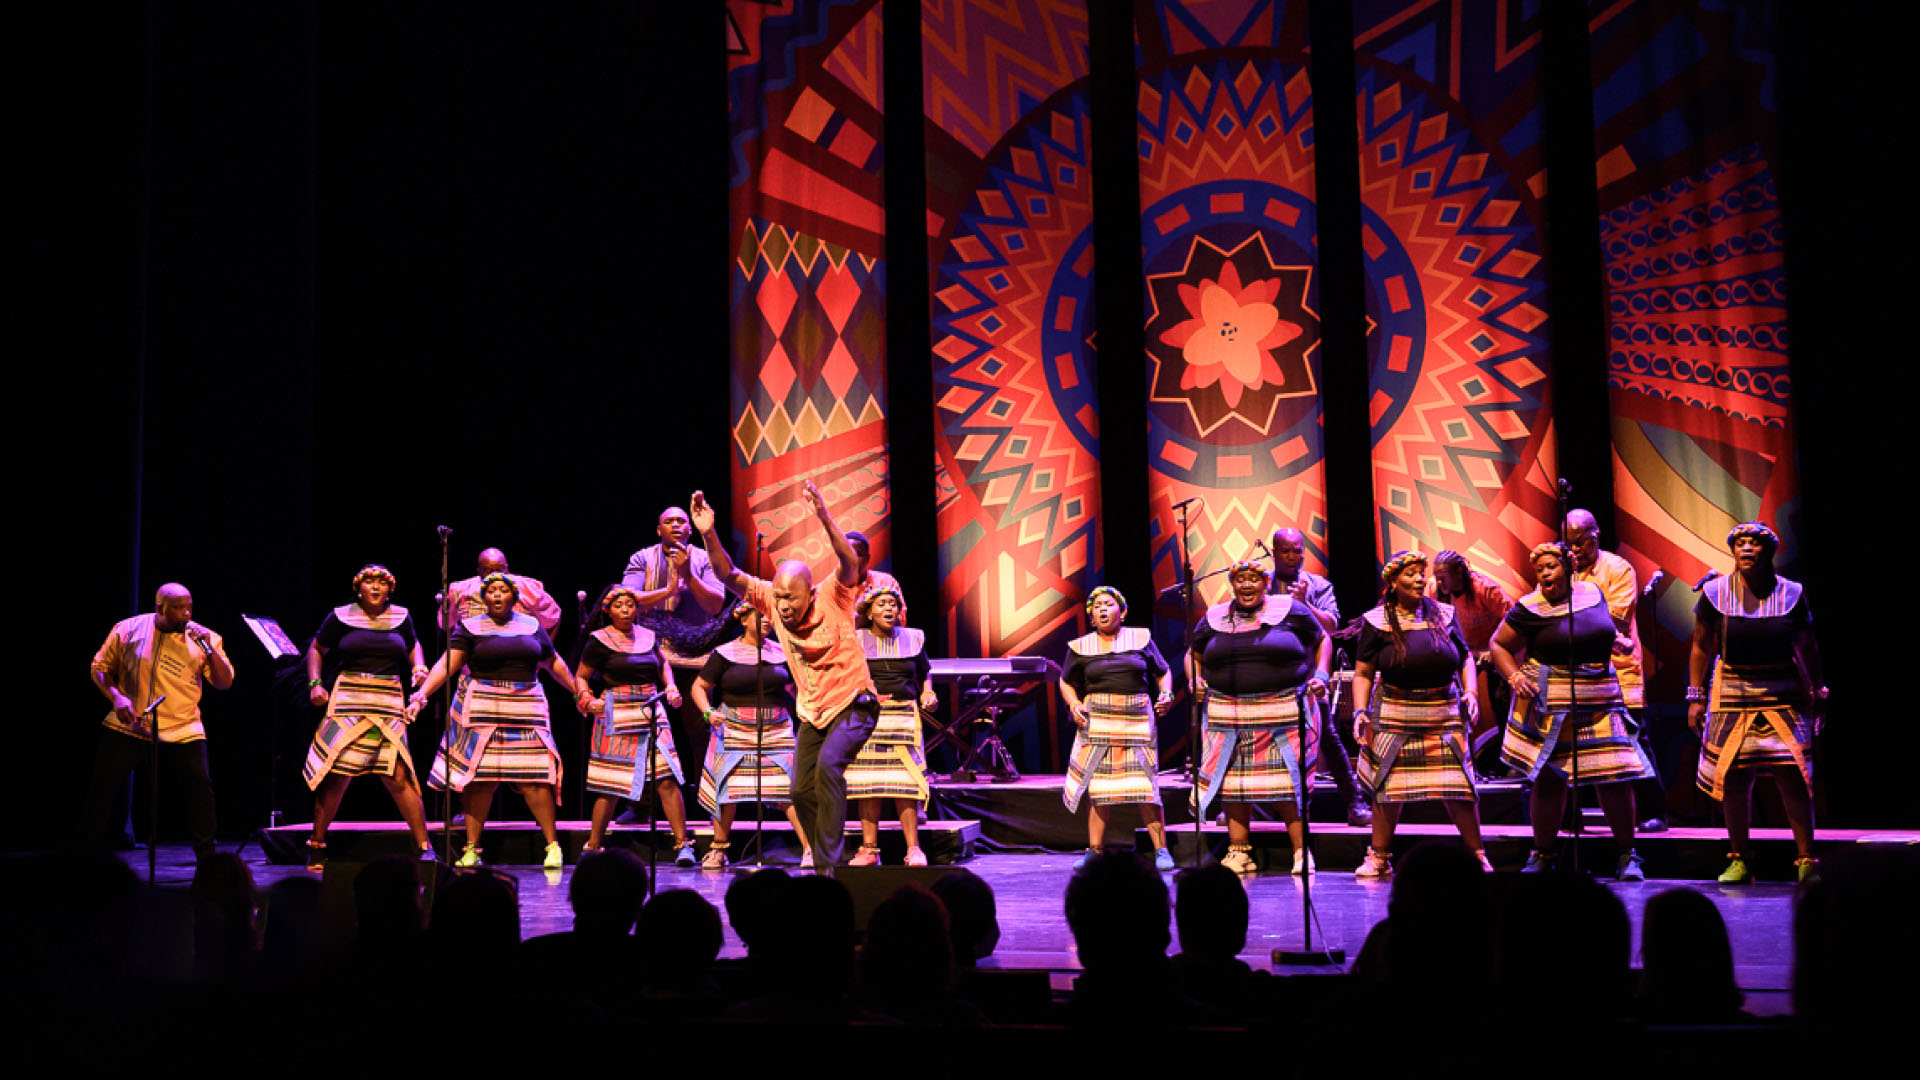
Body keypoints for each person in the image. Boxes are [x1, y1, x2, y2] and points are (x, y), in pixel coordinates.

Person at [691, 482, 879, 874]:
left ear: (809, 592)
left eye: (791, 598)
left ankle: (828, 865)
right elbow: (728, 574)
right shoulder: (770, 600)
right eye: (778, 597)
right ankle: (826, 855)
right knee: (798, 789)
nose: (783, 605)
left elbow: (849, 564)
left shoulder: (834, 594)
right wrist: (708, 533)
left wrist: (825, 517)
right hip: (813, 711)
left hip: (854, 702)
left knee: (828, 769)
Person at [1489, 543, 1657, 879]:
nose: (1544, 574)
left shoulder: (1593, 593)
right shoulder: (1529, 607)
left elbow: (1596, 629)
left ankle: (1627, 856)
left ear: (1567, 568)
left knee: (1614, 778)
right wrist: (1514, 675)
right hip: (1552, 703)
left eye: (1550, 567)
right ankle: (1543, 854)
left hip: (1599, 699)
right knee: (1549, 779)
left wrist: (1615, 643)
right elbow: (1499, 643)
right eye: (1539, 570)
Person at [1688, 521, 1826, 884]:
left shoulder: (1792, 593)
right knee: (1734, 775)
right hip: (1732, 686)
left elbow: (1807, 645)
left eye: (1755, 543)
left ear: (1770, 551)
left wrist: (1819, 689)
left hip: (1783, 687)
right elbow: (1702, 645)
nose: (1746, 548)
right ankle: (1739, 858)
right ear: (1732, 551)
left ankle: (1806, 859)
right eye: (1740, 543)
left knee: (1791, 773)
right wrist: (1695, 695)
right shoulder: (1715, 592)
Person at [416, 571, 581, 869]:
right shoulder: (469, 626)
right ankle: (472, 848)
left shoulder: (531, 625)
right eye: (490, 591)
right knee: (480, 780)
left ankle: (552, 846)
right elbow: (447, 664)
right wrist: (422, 694)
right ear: (483, 597)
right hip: (482, 706)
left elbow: (552, 661)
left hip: (526, 705)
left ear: (513, 597)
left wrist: (577, 690)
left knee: (536, 777)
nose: (495, 595)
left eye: (501, 590)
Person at [1350, 552, 1490, 877]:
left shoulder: (1444, 614)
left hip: (1442, 711)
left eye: (1420, 573)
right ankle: (1379, 857)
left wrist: (1470, 692)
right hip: (1395, 712)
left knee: (1458, 787)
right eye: (1410, 574)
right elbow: (1363, 673)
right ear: (1392, 582)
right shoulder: (1376, 621)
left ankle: (1477, 855)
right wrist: (1359, 710)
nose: (1418, 579)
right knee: (1387, 787)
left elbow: (1465, 657)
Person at [1188, 559, 1331, 875]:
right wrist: (1195, 679)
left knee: (1287, 784)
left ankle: (1300, 851)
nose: (1247, 585)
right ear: (1232, 584)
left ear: (1265, 582)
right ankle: (1240, 851)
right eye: (1240, 580)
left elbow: (1322, 639)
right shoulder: (1215, 617)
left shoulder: (1289, 609)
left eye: (1253, 579)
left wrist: (1321, 673)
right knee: (1233, 784)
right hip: (1228, 712)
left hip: (1282, 709)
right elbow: (1193, 655)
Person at [84, 583, 236, 861]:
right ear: (160, 608)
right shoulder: (128, 629)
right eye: (179, 608)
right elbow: (100, 668)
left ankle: (207, 861)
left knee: (200, 790)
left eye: (189, 607)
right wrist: (116, 697)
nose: (186, 614)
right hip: (131, 724)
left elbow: (224, 683)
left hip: (183, 726)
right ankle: (88, 857)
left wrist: (210, 650)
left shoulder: (206, 637)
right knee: (101, 789)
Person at [301, 565, 432, 870]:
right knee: (336, 772)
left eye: (381, 583)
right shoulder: (340, 616)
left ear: (390, 590)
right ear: (358, 589)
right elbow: (317, 648)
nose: (375, 587)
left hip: (388, 699)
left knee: (398, 774)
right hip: (349, 697)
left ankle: (424, 847)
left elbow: (414, 646)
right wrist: (315, 683)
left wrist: (419, 667)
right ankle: (317, 845)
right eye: (369, 582)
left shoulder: (402, 616)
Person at [622, 506, 735, 822]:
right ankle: (642, 804)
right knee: (645, 732)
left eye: (681, 520)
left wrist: (688, 577)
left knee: (700, 732)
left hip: (694, 657)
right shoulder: (642, 558)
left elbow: (715, 605)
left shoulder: (704, 559)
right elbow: (626, 600)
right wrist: (670, 589)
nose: (675, 524)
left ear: (690, 529)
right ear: (659, 530)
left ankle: (704, 800)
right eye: (668, 521)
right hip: (650, 655)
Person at [575, 584, 693, 865]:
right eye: (619, 606)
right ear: (608, 611)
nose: (626, 611)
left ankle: (682, 845)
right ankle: (593, 847)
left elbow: (663, 664)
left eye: (630, 606)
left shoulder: (648, 636)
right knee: (611, 784)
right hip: (616, 710)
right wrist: (586, 697)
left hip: (650, 707)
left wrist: (672, 687)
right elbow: (581, 675)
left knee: (666, 778)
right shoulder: (599, 640)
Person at [1059, 586, 1175, 870]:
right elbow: (1065, 681)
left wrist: (1167, 695)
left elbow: (1163, 672)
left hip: (1135, 721)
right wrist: (1074, 704)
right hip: (1098, 721)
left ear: (1121, 612)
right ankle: (1094, 850)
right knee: (1099, 789)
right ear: (1091, 616)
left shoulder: (1141, 639)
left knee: (1145, 787)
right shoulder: (1080, 647)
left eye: (1108, 604)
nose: (1101, 609)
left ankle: (1161, 850)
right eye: (1096, 606)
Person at [690, 601, 812, 869]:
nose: (768, 620)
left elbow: (797, 689)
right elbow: (699, 686)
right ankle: (718, 850)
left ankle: (809, 848)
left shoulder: (782, 653)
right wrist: (708, 712)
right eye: (761, 615)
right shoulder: (724, 653)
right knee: (727, 790)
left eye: (771, 616)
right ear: (744, 619)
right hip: (733, 729)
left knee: (788, 791)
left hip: (776, 729)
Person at [1266, 526, 1371, 825]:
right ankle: (1248, 809)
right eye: (1285, 550)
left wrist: (1305, 604)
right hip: (1271, 674)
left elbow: (1331, 628)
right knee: (1259, 739)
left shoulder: (1318, 585)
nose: (1292, 556)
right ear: (1274, 553)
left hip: (1308, 674)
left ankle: (1354, 804)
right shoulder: (1261, 583)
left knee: (1327, 738)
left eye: (1297, 550)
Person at [847, 584, 938, 867]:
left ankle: (913, 849)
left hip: (903, 716)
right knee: (868, 784)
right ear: (869, 611)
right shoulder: (857, 639)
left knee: (905, 784)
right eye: (882, 604)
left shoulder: (912, 639)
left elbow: (925, 673)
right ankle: (869, 849)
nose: (889, 609)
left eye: (893, 604)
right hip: (869, 717)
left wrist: (927, 692)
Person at [1429, 549, 1511, 744]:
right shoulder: (1436, 591)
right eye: (1437, 578)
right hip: (1465, 651)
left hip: (1493, 650)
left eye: (1443, 578)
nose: (1440, 583)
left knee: (1501, 699)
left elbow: (1512, 620)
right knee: (1454, 697)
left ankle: (1507, 754)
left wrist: (1494, 650)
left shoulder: (1485, 588)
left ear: (1458, 572)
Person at [441, 548, 562, 632]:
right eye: (488, 571)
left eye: (499, 570)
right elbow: (445, 625)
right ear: (479, 570)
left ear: (507, 568)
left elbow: (553, 619)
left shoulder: (528, 588)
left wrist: (543, 656)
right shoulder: (459, 591)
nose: (495, 575)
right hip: (474, 668)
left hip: (518, 666)